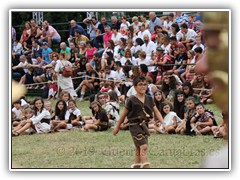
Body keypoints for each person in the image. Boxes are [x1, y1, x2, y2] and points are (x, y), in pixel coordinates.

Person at [113, 76, 163, 168]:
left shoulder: (149, 98)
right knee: (143, 146)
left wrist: (164, 123)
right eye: (140, 84)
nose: (143, 86)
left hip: (145, 125)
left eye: (145, 84)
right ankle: (146, 167)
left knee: (138, 147)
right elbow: (124, 114)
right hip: (134, 126)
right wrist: (117, 126)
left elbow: (156, 111)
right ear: (135, 87)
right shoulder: (131, 99)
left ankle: (136, 166)